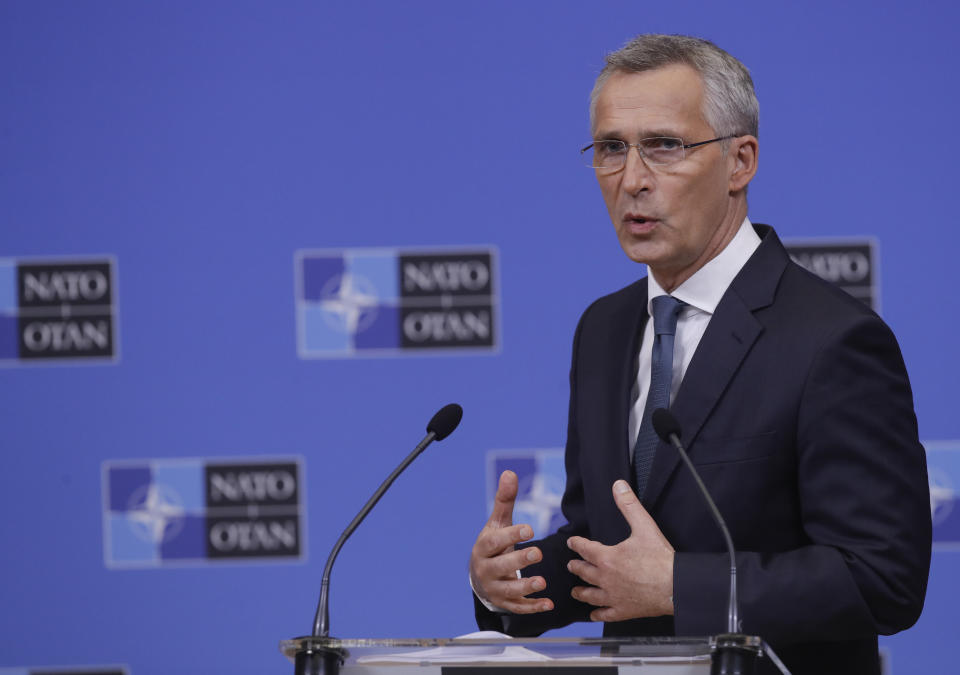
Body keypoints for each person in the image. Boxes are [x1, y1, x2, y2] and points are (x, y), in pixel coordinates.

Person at [468, 34, 931, 675]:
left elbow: (884, 578)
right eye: (611, 148)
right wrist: (511, 585)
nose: (632, 179)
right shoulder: (602, 329)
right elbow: (607, 547)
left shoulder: (833, 339)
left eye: (664, 146)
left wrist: (683, 587)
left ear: (741, 162)